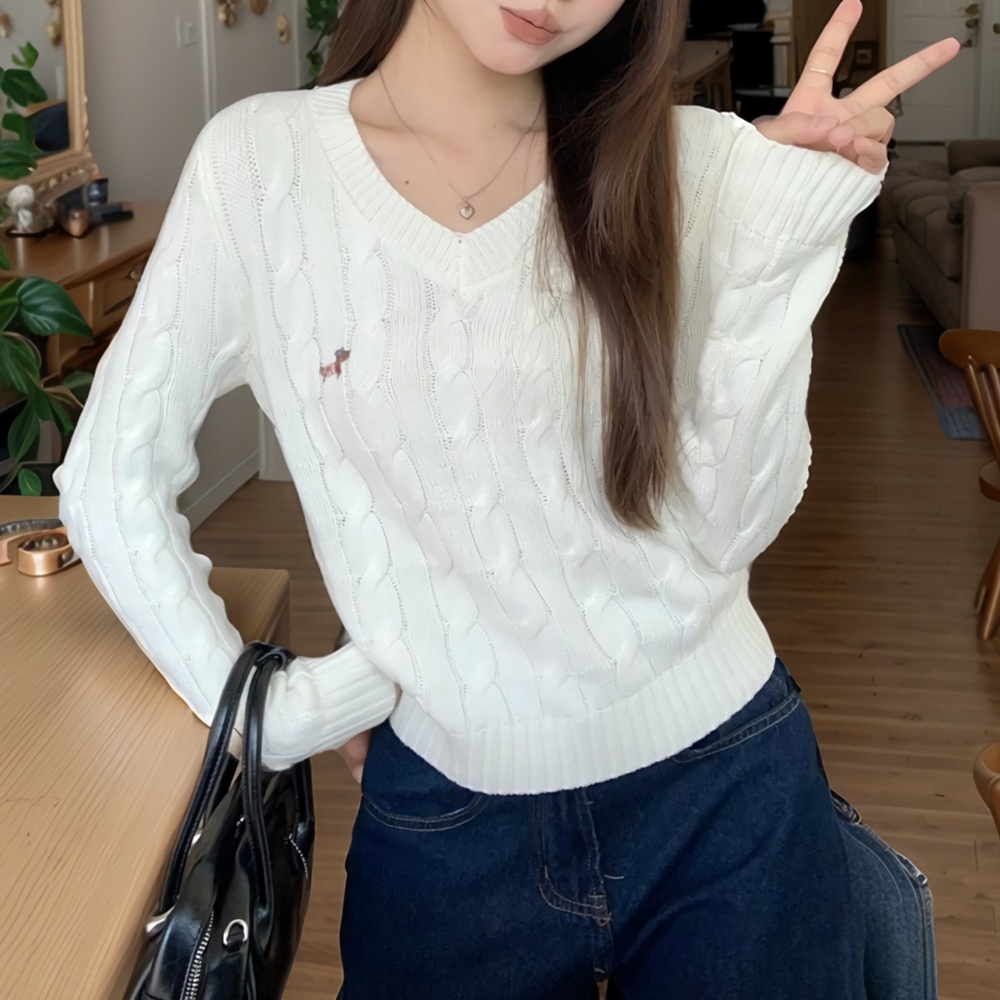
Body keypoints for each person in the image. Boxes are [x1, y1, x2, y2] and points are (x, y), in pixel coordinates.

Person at [53, 0, 959, 996]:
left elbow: (731, 525)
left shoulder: (686, 158)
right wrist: (277, 714)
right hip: (444, 826)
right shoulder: (260, 169)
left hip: (728, 792)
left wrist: (776, 235)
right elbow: (108, 480)